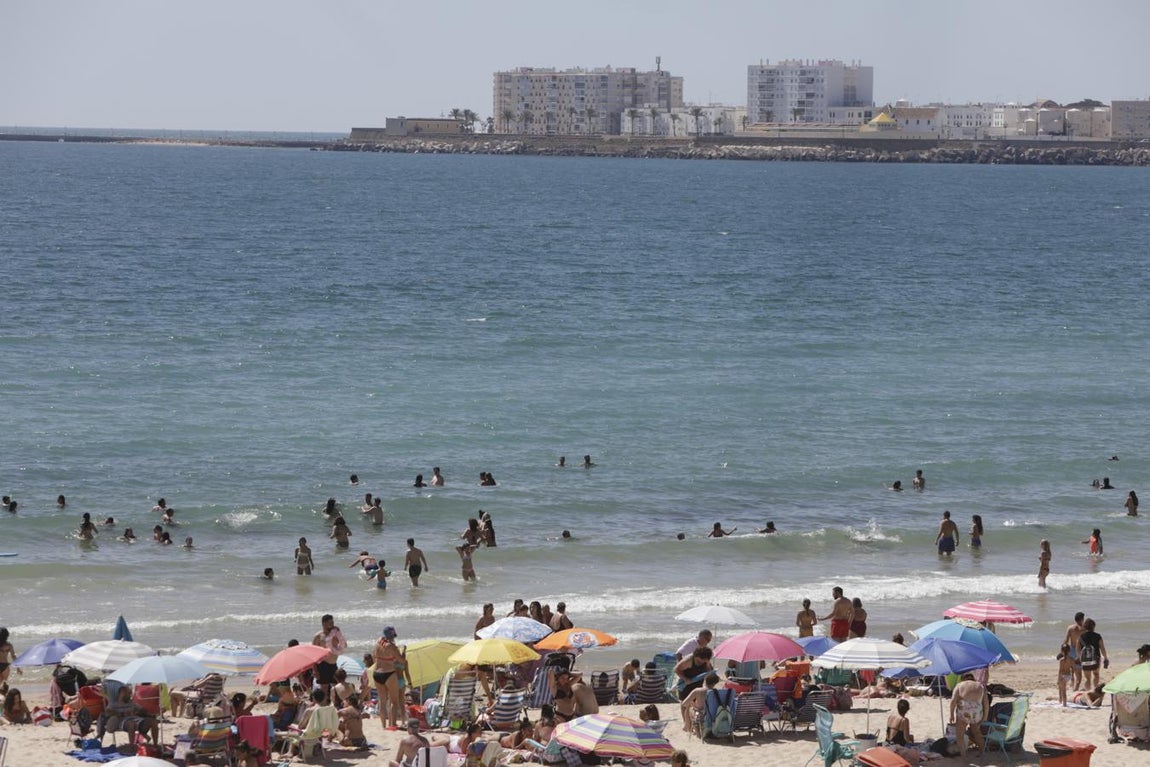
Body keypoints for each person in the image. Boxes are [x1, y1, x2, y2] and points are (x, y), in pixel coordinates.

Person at [948, 674, 988, 756]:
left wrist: (951, 715)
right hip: (976, 713)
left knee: (960, 735)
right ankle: (982, 752)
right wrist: (985, 717)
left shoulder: (960, 685)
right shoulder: (981, 686)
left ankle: (964, 756)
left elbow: (953, 701)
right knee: (976, 733)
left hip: (964, 712)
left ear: (963, 679)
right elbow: (986, 703)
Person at [373, 626, 404, 730]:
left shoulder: (378, 642)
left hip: (377, 673)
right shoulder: (392, 647)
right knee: (393, 701)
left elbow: (374, 656)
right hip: (389, 673)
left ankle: (383, 726)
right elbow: (401, 661)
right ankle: (392, 724)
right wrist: (403, 651)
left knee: (382, 701)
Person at [313, 614, 347, 696]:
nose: (332, 624)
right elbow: (313, 655)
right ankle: (324, 706)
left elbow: (344, 645)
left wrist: (339, 633)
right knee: (324, 687)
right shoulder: (318, 637)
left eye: (332, 622)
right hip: (323, 665)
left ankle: (336, 704)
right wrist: (315, 670)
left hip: (334, 664)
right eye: (330, 623)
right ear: (324, 623)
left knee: (337, 686)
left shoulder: (335, 634)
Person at [1077, 617, 1109, 689]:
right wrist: (1106, 658)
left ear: (1085, 626)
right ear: (1094, 626)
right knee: (1096, 674)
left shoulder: (1081, 637)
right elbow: (1102, 648)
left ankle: (1088, 692)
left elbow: (1078, 649)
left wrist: (1080, 658)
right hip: (1096, 659)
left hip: (1085, 661)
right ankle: (1095, 689)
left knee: (1088, 679)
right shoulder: (1097, 636)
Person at [1064, 612, 1086, 691]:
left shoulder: (1070, 628)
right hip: (1079, 651)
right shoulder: (1084, 629)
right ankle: (1076, 688)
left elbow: (1066, 641)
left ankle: (1072, 680)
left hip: (1071, 649)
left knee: (1072, 668)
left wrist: (1063, 652)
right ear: (1082, 619)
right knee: (1079, 672)